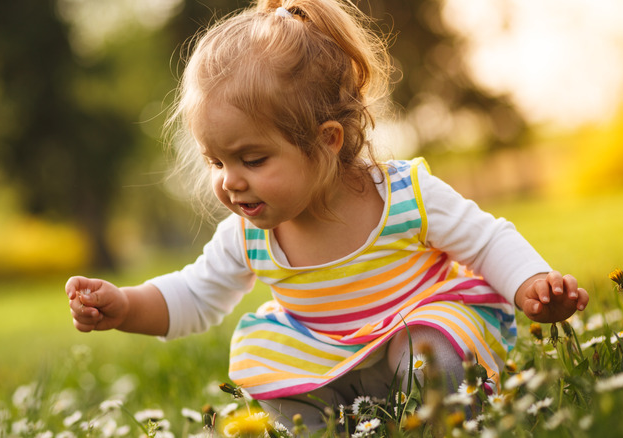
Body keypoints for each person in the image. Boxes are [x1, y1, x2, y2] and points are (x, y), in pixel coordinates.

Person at [66, 0, 589, 431]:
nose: (230, 180)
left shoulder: (403, 196)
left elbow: (487, 241)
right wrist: (125, 306)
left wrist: (531, 284)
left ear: (327, 142)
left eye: (252, 159)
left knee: (427, 348)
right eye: (216, 162)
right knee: (268, 361)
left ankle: (447, 419)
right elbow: (195, 295)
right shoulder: (248, 234)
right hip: (333, 365)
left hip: (418, 332)